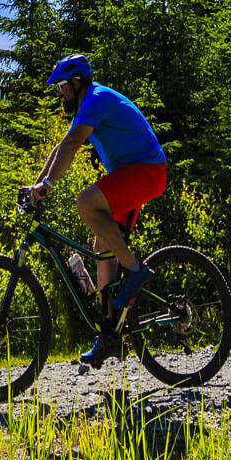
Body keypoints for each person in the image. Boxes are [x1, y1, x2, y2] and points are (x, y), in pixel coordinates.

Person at [23, 54, 167, 368]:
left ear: (77, 82)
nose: (59, 92)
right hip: (130, 173)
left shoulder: (97, 98)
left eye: (62, 86)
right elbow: (61, 147)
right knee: (102, 246)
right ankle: (109, 336)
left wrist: (46, 185)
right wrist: (35, 188)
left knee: (85, 202)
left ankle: (135, 270)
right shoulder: (87, 103)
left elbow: (74, 143)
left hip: (146, 170)